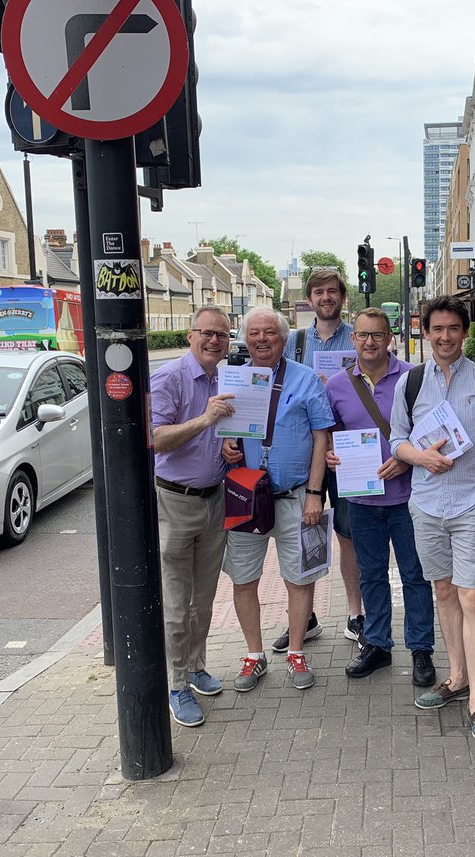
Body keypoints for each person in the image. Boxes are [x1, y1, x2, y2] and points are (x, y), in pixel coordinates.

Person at [389, 296, 475, 743]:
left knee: (472, 599)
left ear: (465, 333)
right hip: (425, 505)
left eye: (453, 329)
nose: (444, 336)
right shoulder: (410, 385)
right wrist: (418, 456)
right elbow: (397, 440)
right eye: (436, 329)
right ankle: (456, 677)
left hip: (469, 507)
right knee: (443, 591)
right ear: (425, 332)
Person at [222, 307, 335, 691]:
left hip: (295, 496)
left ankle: (297, 650)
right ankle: (254, 655)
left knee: (300, 579)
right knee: (243, 579)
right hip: (244, 494)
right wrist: (226, 443)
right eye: (254, 333)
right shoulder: (232, 379)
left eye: (270, 332)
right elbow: (219, 425)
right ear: (245, 338)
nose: (262, 340)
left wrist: (316, 494)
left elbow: (322, 436)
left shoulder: (306, 380)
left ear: (284, 339)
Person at [324, 307, 436, 686]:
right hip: (362, 501)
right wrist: (332, 457)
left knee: (415, 576)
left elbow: (434, 432)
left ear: (391, 338)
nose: (369, 342)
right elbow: (333, 435)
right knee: (370, 575)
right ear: (352, 339)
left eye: (377, 335)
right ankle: (377, 645)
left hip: (409, 497)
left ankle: (421, 649)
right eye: (362, 335)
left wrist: (408, 462)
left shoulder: (414, 378)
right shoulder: (337, 385)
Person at [150, 307, 237, 727]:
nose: (215, 341)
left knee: (204, 599)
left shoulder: (225, 378)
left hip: (214, 499)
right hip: (176, 502)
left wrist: (228, 449)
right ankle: (176, 684)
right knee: (176, 602)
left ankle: (197, 665)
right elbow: (157, 439)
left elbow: (222, 437)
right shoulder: (169, 377)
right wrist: (205, 419)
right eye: (207, 333)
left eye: (222, 335)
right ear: (190, 335)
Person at [278, 268, 365, 649]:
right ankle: (305, 618)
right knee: (304, 535)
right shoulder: (294, 342)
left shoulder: (358, 338)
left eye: (332, 291)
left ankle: (354, 614)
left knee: (348, 537)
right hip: (305, 452)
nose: (326, 297)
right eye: (318, 291)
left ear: (342, 297)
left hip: (347, 452)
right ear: (309, 299)